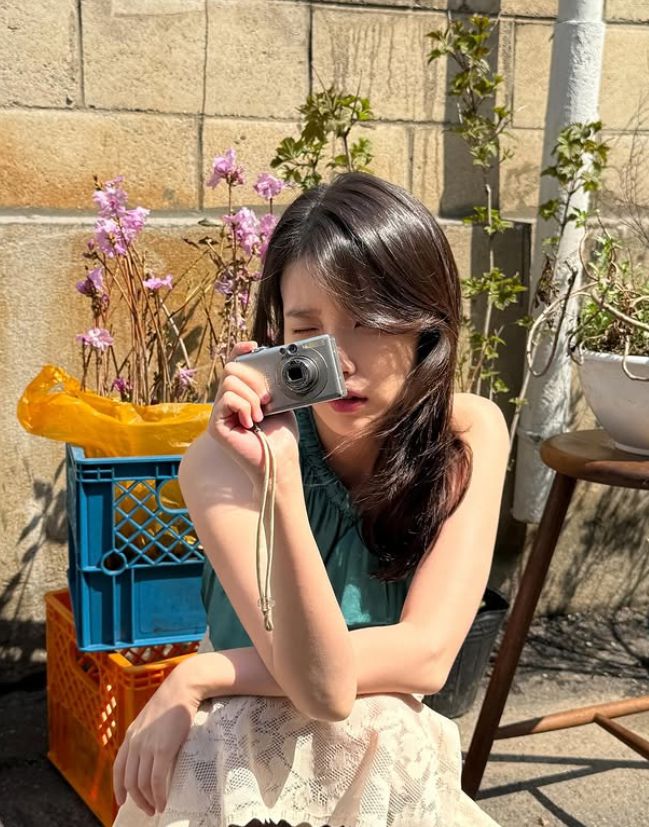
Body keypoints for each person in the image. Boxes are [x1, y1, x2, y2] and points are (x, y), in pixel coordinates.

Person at [111, 171, 509, 827]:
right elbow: (321, 687)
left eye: (368, 322)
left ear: (423, 326)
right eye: (307, 327)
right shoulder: (220, 461)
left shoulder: (465, 435)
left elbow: (427, 657)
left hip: (371, 739)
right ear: (277, 334)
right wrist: (280, 479)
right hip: (240, 739)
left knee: (386, 721)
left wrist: (201, 672)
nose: (339, 359)